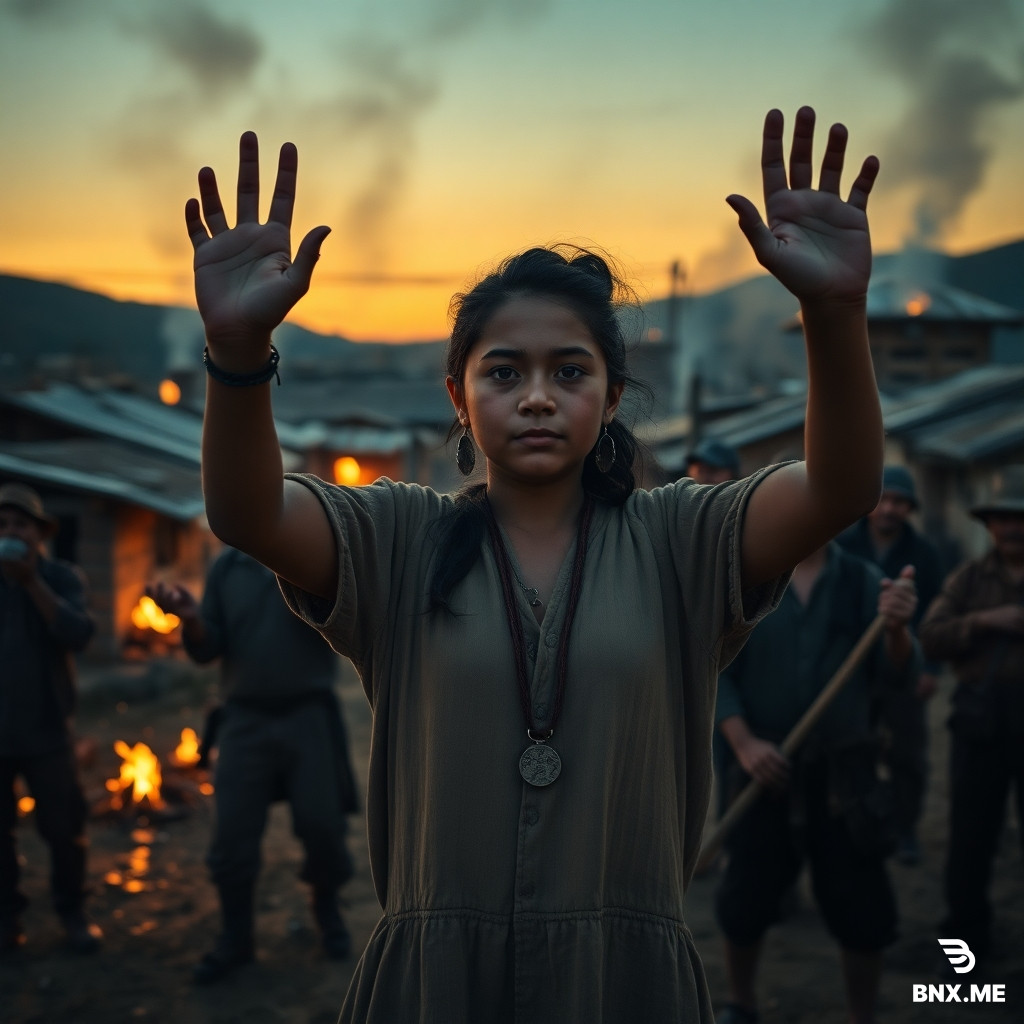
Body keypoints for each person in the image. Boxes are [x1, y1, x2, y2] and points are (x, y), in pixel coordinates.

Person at [183, 106, 884, 1021]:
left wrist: (834, 313)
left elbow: (839, 489)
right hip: (438, 986)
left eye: (571, 371)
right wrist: (238, 354)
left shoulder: (682, 541)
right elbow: (247, 512)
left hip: (621, 985)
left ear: (613, 393)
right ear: (458, 395)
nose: (539, 398)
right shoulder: (399, 540)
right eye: (504, 373)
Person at [713, 542, 917, 1024]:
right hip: (763, 767)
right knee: (745, 897)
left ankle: (859, 1015)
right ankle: (741, 1003)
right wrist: (743, 743)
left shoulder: (863, 582)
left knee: (862, 908)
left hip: (845, 773)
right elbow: (715, 667)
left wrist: (897, 629)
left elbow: (898, 672)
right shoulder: (748, 581)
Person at [146, 548, 359, 983]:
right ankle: (235, 939)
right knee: (233, 837)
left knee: (323, 826)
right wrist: (191, 619)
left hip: (308, 715)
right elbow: (209, 648)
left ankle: (328, 911)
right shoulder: (229, 566)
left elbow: (345, 621)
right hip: (244, 719)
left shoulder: (315, 555)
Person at [919, 464, 1024, 971]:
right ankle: (965, 947)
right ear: (989, 524)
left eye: (1019, 518)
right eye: (1003, 518)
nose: (1011, 527)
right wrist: (986, 621)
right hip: (979, 722)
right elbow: (932, 637)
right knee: (970, 840)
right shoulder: (969, 579)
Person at [0, 483, 101, 954]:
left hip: (48, 731)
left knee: (64, 830)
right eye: (1, 525)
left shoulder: (61, 578)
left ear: (39, 533)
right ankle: (7, 920)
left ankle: (72, 912)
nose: (10, 532)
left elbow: (79, 634)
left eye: (19, 524)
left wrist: (29, 582)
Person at [837, 464, 944, 864]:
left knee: (908, 756)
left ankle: (905, 829)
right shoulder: (845, 548)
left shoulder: (925, 555)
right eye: (883, 499)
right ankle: (859, 820)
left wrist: (931, 670)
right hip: (855, 673)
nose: (889, 509)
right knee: (855, 750)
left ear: (910, 508)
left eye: (899, 502)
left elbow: (934, 618)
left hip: (904, 670)